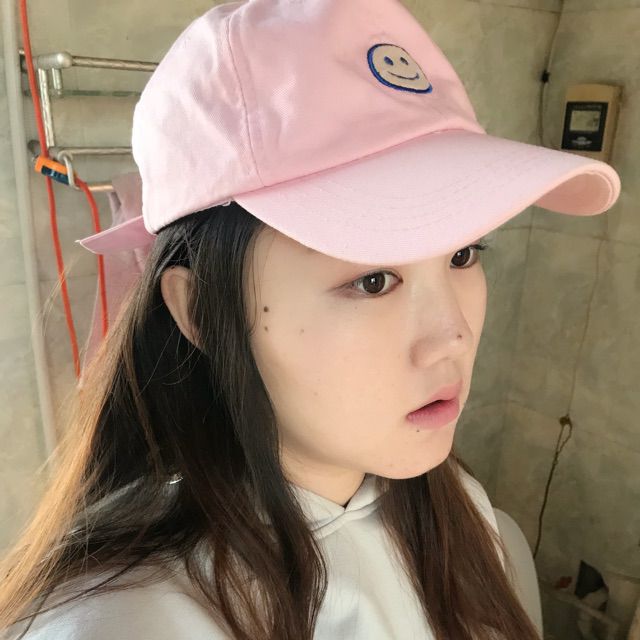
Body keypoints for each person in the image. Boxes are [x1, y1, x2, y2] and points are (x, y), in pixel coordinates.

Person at [0, 0, 621, 639]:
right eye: (373, 280)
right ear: (200, 310)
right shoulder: (128, 620)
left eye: (463, 254)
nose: (452, 337)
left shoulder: (460, 512)